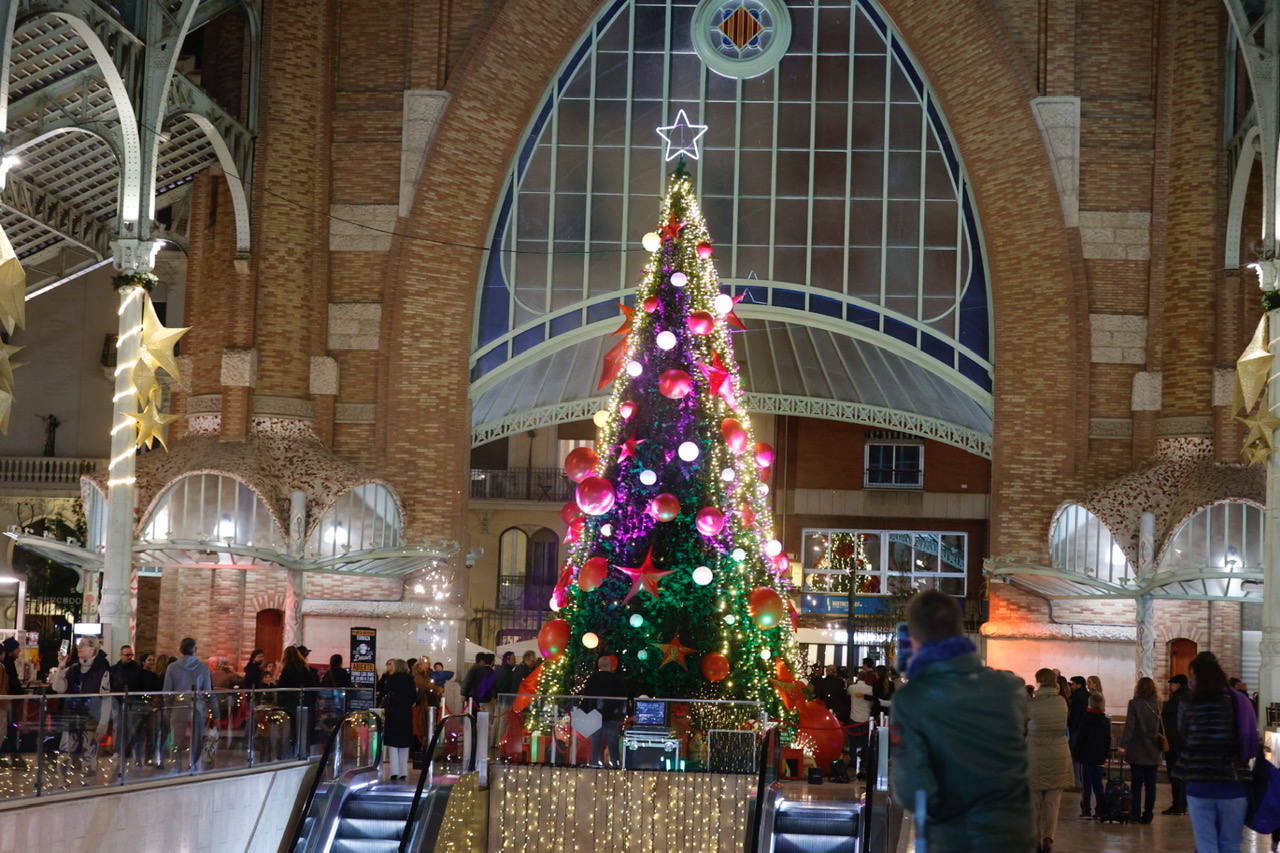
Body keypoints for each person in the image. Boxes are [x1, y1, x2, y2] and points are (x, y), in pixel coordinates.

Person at [889, 590, 1034, 851]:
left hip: (956, 840)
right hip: (1016, 837)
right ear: (959, 631)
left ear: (914, 638)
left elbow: (914, 789)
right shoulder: (1009, 689)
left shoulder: (912, 699)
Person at [1174, 651, 1257, 853]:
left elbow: (1182, 735)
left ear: (1195, 676)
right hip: (1233, 782)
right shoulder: (1238, 701)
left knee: (1206, 845)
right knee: (1230, 845)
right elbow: (1250, 741)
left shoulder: (1188, 702)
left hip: (1199, 782)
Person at [1026, 668, 1073, 852]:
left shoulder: (1032, 704)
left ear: (1038, 681)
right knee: (1053, 802)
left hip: (1035, 756)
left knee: (1035, 802)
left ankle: (1036, 838)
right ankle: (1049, 838)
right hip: (1058, 755)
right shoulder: (1062, 702)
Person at [51, 636, 113, 769]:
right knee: (64, 751)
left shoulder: (102, 669)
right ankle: (62, 784)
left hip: (91, 717)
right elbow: (58, 688)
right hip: (72, 716)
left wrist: (103, 722)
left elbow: (106, 698)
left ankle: (88, 785)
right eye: (79, 644)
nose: (80, 647)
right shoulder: (73, 669)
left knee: (88, 753)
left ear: (94, 649)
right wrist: (61, 668)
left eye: (84, 645)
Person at [163, 637, 214, 770]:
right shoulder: (203, 668)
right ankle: (194, 765)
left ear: (180, 649)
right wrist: (212, 709)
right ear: (195, 650)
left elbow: (167, 691)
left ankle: (175, 767)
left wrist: (167, 708)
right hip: (197, 706)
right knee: (196, 739)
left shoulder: (172, 667)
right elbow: (208, 691)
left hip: (178, 706)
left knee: (176, 740)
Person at [1118, 676, 1161, 823]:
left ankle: (1135, 814)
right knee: (1151, 785)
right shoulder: (1159, 704)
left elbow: (1130, 726)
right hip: (1154, 748)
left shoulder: (1134, 704)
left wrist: (1123, 745)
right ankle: (1148, 814)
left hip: (1137, 748)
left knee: (1136, 784)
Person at [580, 654, 632, 768]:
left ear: (599, 665)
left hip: (595, 717)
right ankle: (615, 769)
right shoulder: (617, 680)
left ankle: (595, 768)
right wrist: (630, 714)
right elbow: (624, 699)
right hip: (612, 718)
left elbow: (586, 698)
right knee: (613, 746)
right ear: (611, 665)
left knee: (595, 746)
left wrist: (581, 712)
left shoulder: (592, 679)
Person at [1070, 692, 1110, 818]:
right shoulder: (1105, 720)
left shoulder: (1086, 718)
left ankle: (1086, 809)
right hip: (1099, 757)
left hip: (1085, 757)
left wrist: (1076, 753)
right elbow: (1108, 740)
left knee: (1086, 785)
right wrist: (1105, 755)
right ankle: (1100, 809)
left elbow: (1080, 738)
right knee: (1098, 783)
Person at [382, 659, 416, 781]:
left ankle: (394, 771)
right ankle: (403, 771)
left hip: (393, 713)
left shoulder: (391, 679)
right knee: (404, 744)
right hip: (405, 714)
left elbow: (386, 694)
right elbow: (414, 697)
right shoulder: (410, 679)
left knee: (393, 744)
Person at [1162, 674, 1189, 815]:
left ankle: (1177, 805)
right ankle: (1182, 804)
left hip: (1175, 743)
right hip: (1185, 743)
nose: (1170, 687)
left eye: (1172, 684)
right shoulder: (1189, 698)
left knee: (1175, 775)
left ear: (1178, 685)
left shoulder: (1177, 699)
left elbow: (1165, 712)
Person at [847, 672, 874, 777]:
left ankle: (853, 763)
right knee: (864, 742)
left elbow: (848, 695)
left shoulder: (852, 688)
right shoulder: (870, 689)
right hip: (865, 718)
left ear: (857, 677)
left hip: (854, 717)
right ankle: (863, 763)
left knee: (853, 743)